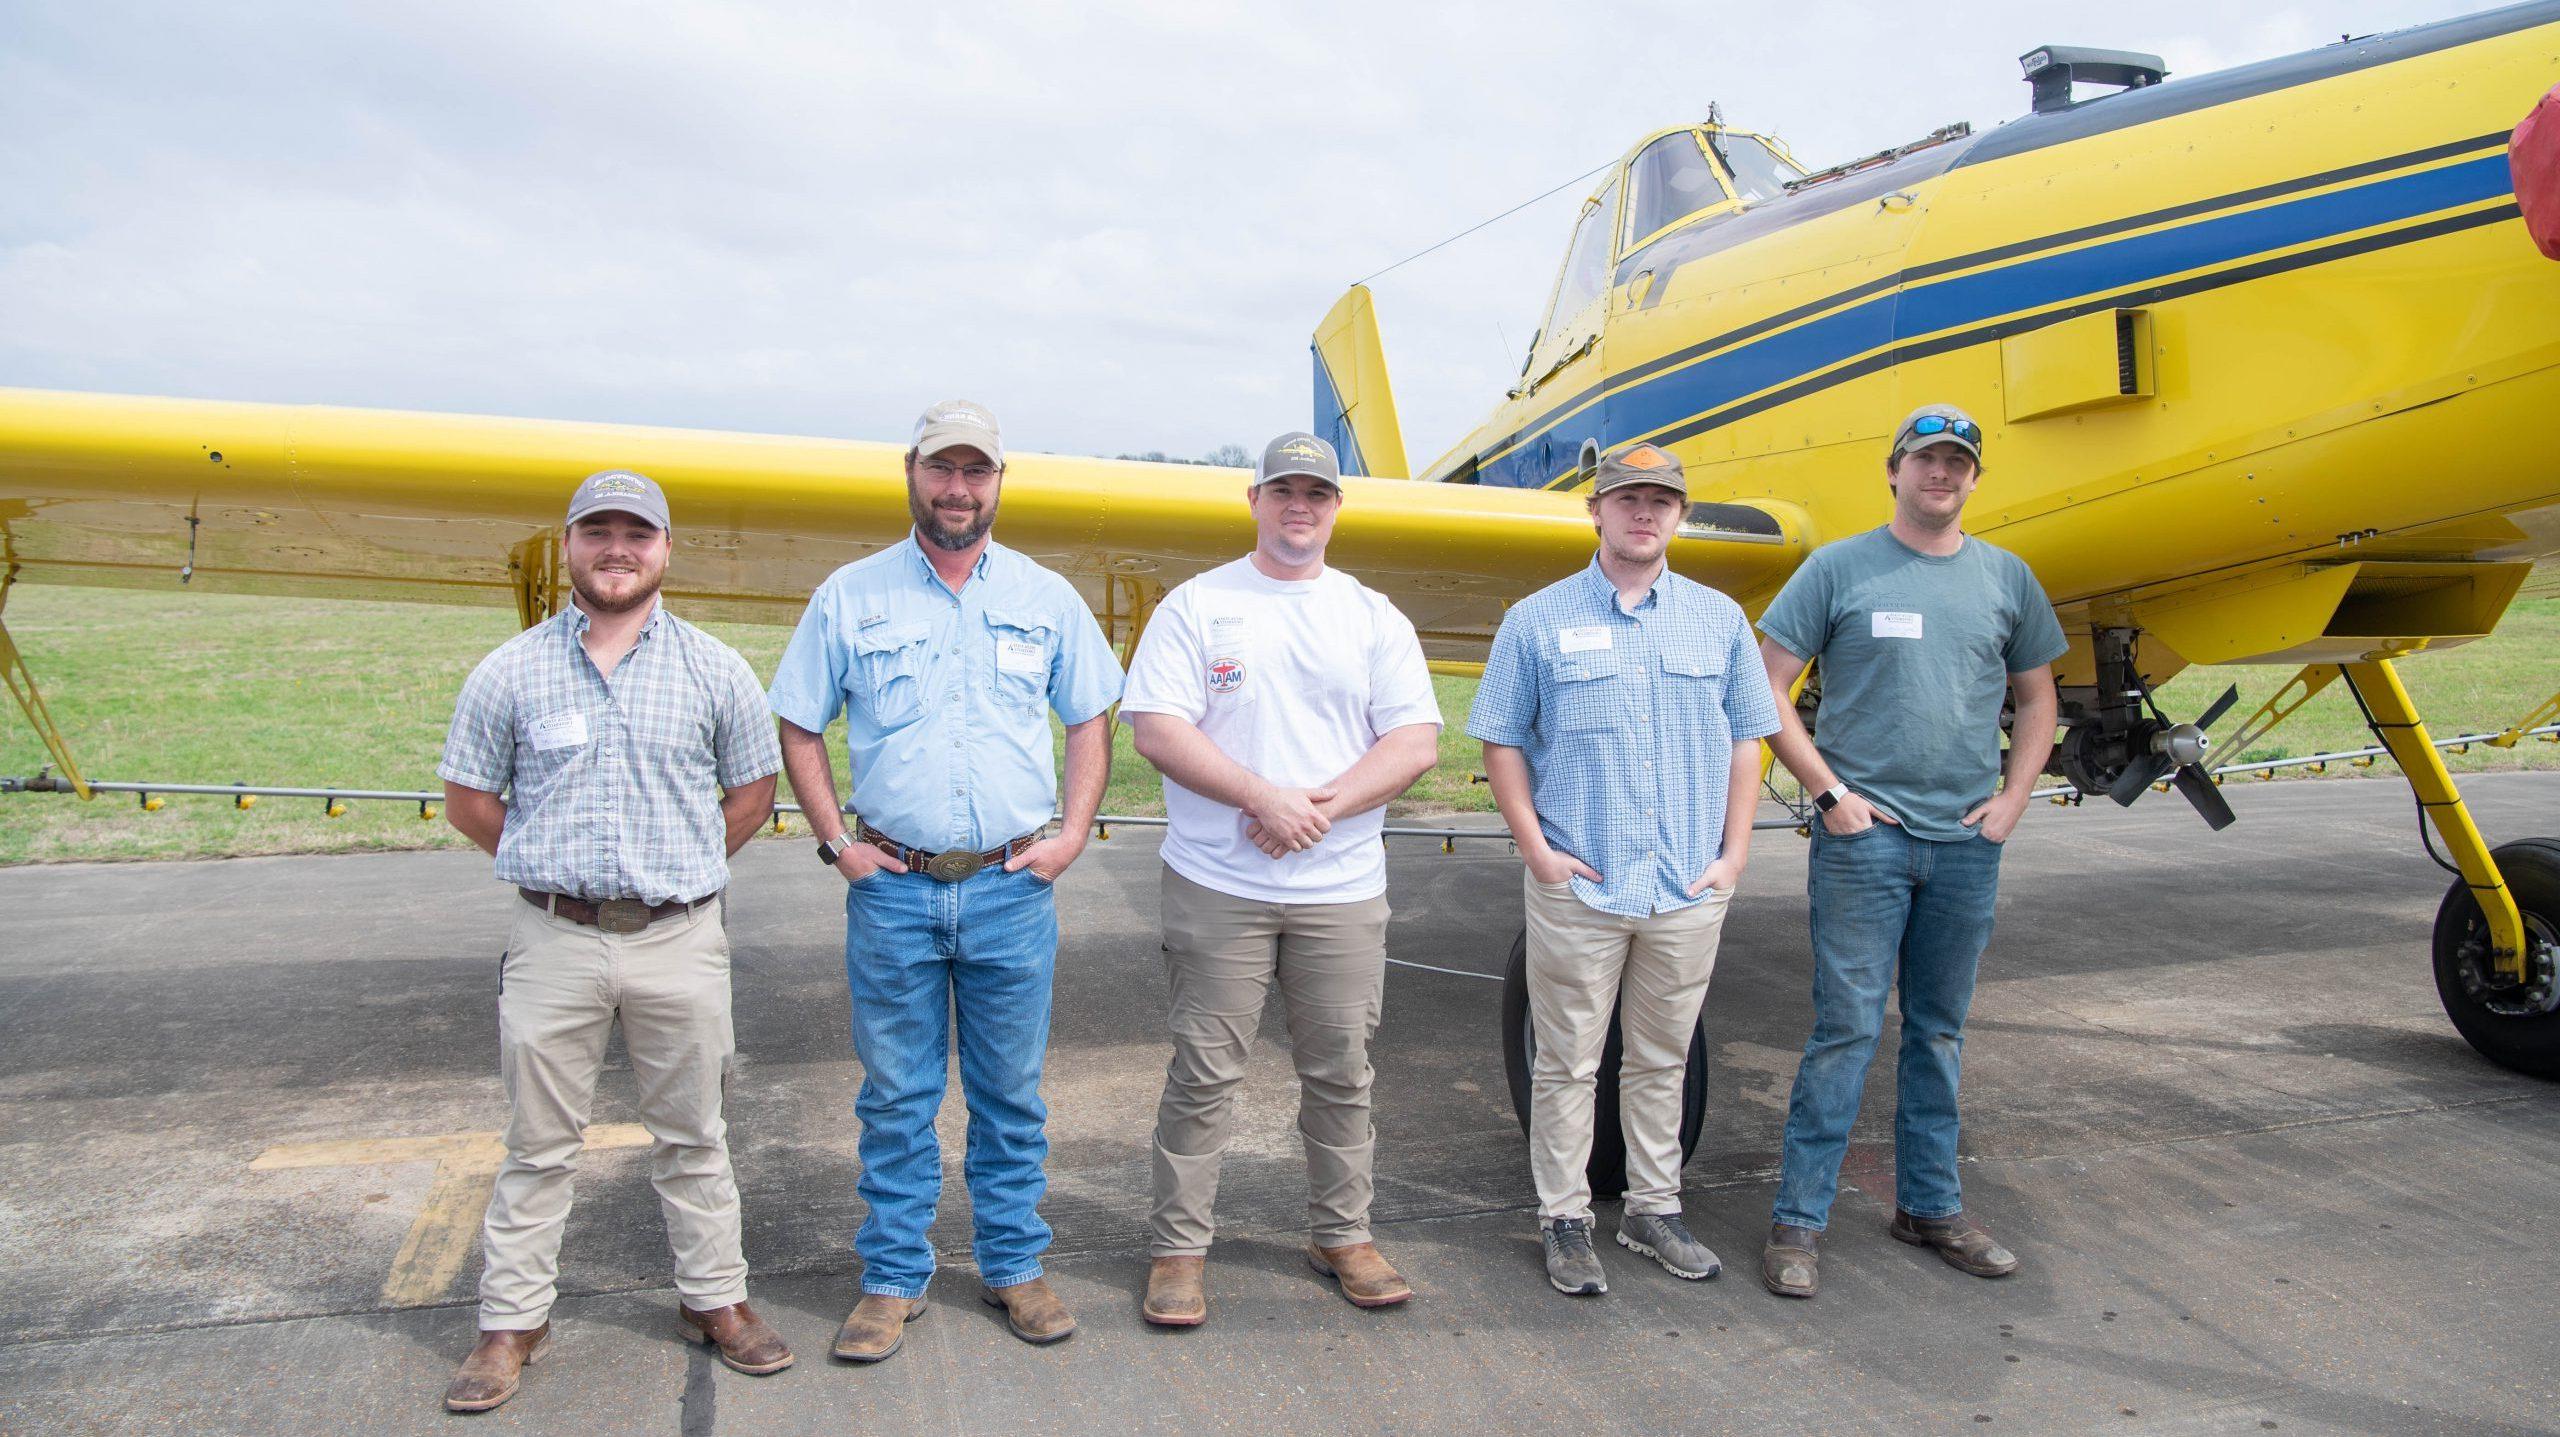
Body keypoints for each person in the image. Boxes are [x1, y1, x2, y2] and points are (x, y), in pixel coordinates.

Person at [768, 400, 1121, 1359]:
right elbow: (798, 719)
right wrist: (836, 839)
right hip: (894, 887)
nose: (958, 488)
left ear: (1000, 482)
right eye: (942, 469)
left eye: (977, 471)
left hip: (1012, 886)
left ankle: (1014, 1265)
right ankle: (891, 1277)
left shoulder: (1046, 596)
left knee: (1011, 1093)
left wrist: (1073, 832)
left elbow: (1091, 713)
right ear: (912, 474)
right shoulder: (852, 593)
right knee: (896, 1094)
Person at [436, 469, 791, 1413]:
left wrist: (678, 868)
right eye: (598, 531)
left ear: (666, 551)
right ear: (569, 546)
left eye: (638, 532)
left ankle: (716, 1299)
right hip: (554, 936)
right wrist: (550, 869)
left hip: (680, 936)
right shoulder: (508, 671)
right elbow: (471, 801)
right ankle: (511, 1322)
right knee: (539, 1143)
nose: (617, 549)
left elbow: (753, 791)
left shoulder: (716, 669)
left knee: (695, 1134)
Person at [1119, 432, 1442, 1326]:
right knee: (1203, 1071)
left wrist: (1316, 811)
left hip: (1338, 886)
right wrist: (1264, 795)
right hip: (1218, 880)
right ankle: (1178, 1250)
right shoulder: (1197, 604)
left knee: (1342, 1070)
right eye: (1284, 489)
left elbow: (1415, 740)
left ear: (1337, 507)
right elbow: (1156, 728)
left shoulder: (1372, 614)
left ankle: (1343, 1234)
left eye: (1318, 492)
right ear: (1253, 499)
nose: (1301, 505)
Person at [1754, 403, 2066, 1300]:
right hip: (1866, 844)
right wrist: (1829, 794)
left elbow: (2038, 698)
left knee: (1938, 1030)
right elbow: (1767, 684)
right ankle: (1799, 1221)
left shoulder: (2006, 577)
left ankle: (1930, 1206)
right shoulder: (1837, 569)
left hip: (1965, 844)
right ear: (1893, 470)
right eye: (1926, 458)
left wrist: (2013, 800)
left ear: (1974, 479)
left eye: (1958, 461)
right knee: (1846, 1028)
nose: (1942, 473)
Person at [1467, 440, 1780, 1297]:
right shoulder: (1536, 617)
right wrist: (1536, 850)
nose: (1644, 512)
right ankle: (1565, 1220)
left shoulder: (1717, 620)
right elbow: (1500, 738)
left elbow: (1748, 741)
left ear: (1680, 515)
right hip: (1583, 884)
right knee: (1566, 1060)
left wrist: (1734, 855)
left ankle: (1653, 1209)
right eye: (1628, 498)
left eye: (1662, 500)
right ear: (1595, 510)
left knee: (1661, 1057)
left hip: (1683, 886)